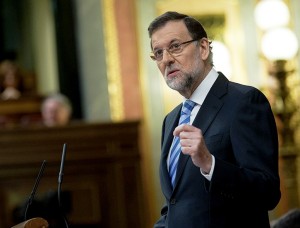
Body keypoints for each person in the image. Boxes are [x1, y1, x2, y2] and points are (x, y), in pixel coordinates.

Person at [148, 11, 280, 228]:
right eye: (158, 53)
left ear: (202, 48)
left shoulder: (244, 102)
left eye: (175, 46)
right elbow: (176, 206)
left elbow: (267, 193)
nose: (166, 60)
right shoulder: (170, 120)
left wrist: (210, 164)